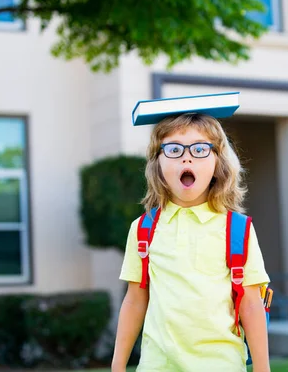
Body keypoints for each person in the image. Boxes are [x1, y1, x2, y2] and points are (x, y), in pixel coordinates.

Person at [112, 113, 270, 372]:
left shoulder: (237, 230)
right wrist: (117, 365)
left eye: (200, 149)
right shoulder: (143, 229)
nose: (187, 157)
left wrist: (263, 369)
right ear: (157, 163)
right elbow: (135, 300)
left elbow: (252, 305)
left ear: (218, 163)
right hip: (157, 365)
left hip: (221, 365)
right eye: (174, 149)